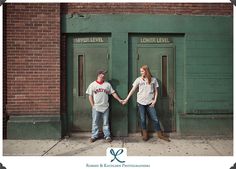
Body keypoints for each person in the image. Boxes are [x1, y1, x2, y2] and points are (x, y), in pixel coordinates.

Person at [123, 65, 170, 142]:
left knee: (155, 119)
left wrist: (154, 100)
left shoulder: (153, 80)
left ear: (146, 71)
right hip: (141, 103)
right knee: (143, 119)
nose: (141, 72)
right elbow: (133, 90)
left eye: (142, 71)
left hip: (150, 103)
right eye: (140, 71)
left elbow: (156, 91)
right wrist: (126, 99)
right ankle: (145, 134)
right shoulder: (138, 80)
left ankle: (160, 134)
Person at [86, 69, 123, 143]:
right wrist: (93, 105)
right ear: (99, 74)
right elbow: (90, 96)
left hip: (105, 107)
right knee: (95, 122)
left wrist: (119, 100)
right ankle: (94, 136)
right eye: (103, 74)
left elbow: (113, 93)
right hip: (96, 107)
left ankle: (107, 136)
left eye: (104, 74)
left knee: (106, 122)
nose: (104, 75)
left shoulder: (107, 84)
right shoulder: (93, 84)